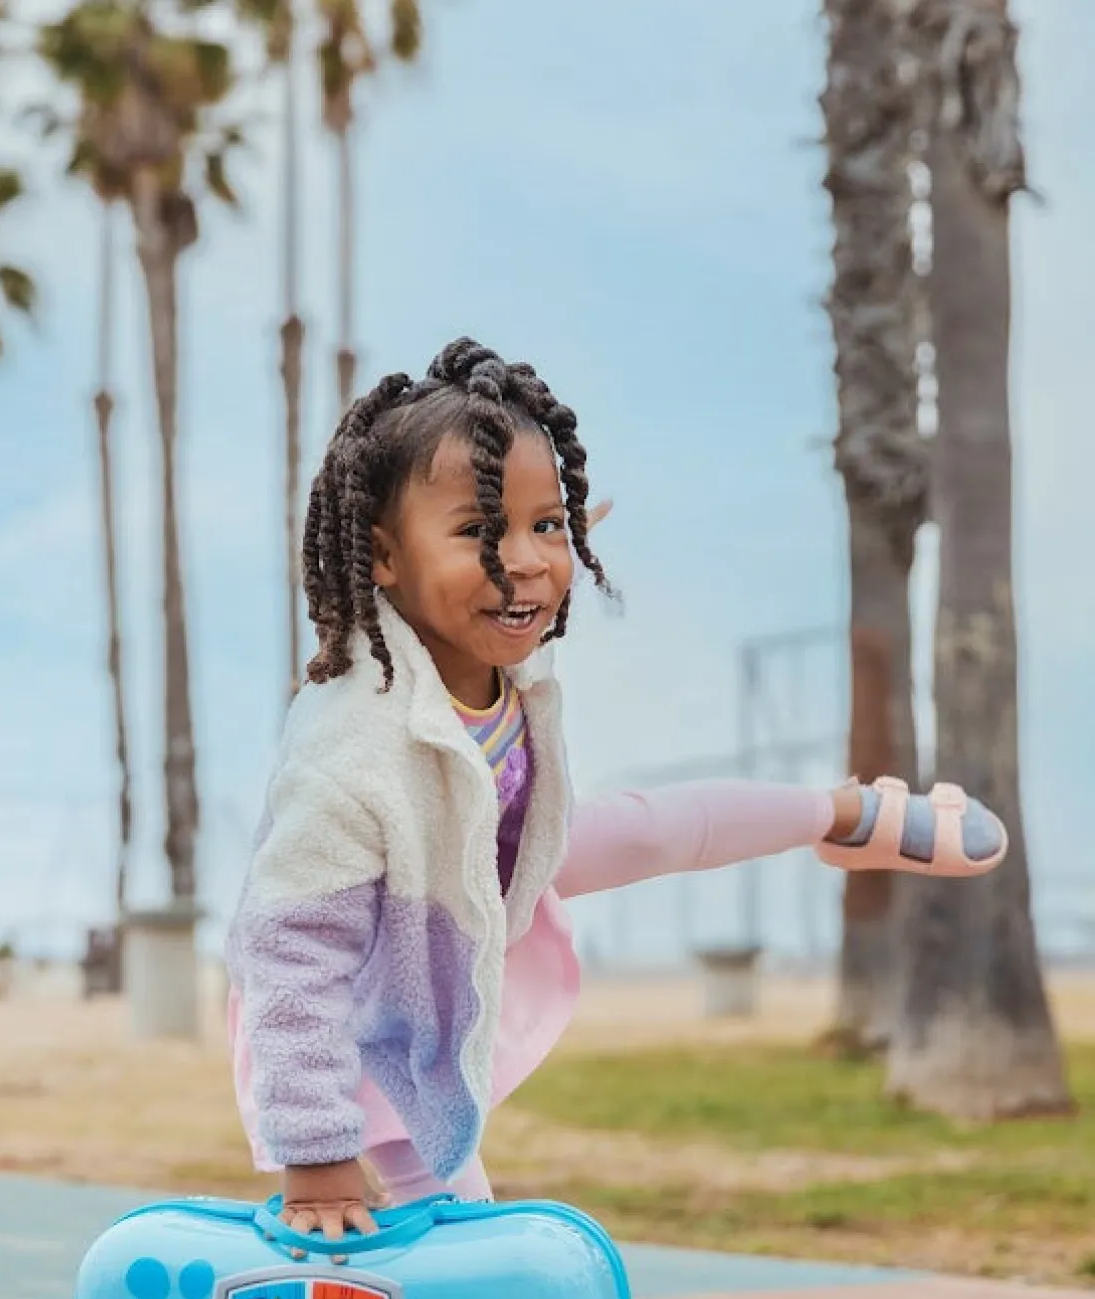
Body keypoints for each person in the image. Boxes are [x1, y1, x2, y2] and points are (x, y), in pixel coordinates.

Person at [225, 337, 1007, 1247]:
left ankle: (852, 814)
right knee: (458, 1231)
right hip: (366, 1015)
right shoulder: (347, 751)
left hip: (493, 863)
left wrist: (530, 531)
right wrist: (317, 1153)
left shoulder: (490, 651)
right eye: (479, 532)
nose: (524, 561)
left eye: (546, 526)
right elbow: (289, 957)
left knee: (649, 829)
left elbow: (526, 567)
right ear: (383, 557)